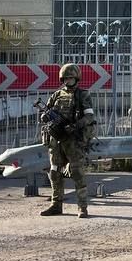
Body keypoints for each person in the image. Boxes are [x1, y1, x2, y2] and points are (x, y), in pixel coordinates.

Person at [38, 63, 95, 218]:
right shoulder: (56, 95)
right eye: (66, 78)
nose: (68, 81)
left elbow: (89, 116)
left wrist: (76, 125)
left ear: (77, 78)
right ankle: (56, 205)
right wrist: (44, 117)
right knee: (55, 171)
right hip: (56, 140)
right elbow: (46, 111)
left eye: (71, 78)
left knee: (77, 172)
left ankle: (82, 207)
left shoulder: (83, 95)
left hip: (72, 140)